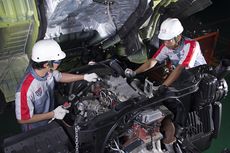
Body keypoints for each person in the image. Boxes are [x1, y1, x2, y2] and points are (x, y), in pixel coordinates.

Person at [125, 18, 207, 152]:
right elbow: (153, 61)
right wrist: (135, 72)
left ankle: (180, 127)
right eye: (164, 40)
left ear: (179, 37)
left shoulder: (191, 45)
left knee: (180, 100)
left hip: (195, 77)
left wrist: (164, 86)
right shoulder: (167, 45)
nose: (165, 43)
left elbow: (180, 68)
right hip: (180, 76)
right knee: (167, 96)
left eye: (169, 40)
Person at [15, 39, 98, 132]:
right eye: (58, 61)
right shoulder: (25, 89)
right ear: (47, 64)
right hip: (35, 129)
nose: (59, 63)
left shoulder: (47, 71)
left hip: (49, 117)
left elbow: (59, 76)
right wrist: (53, 114)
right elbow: (23, 119)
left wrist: (84, 77)